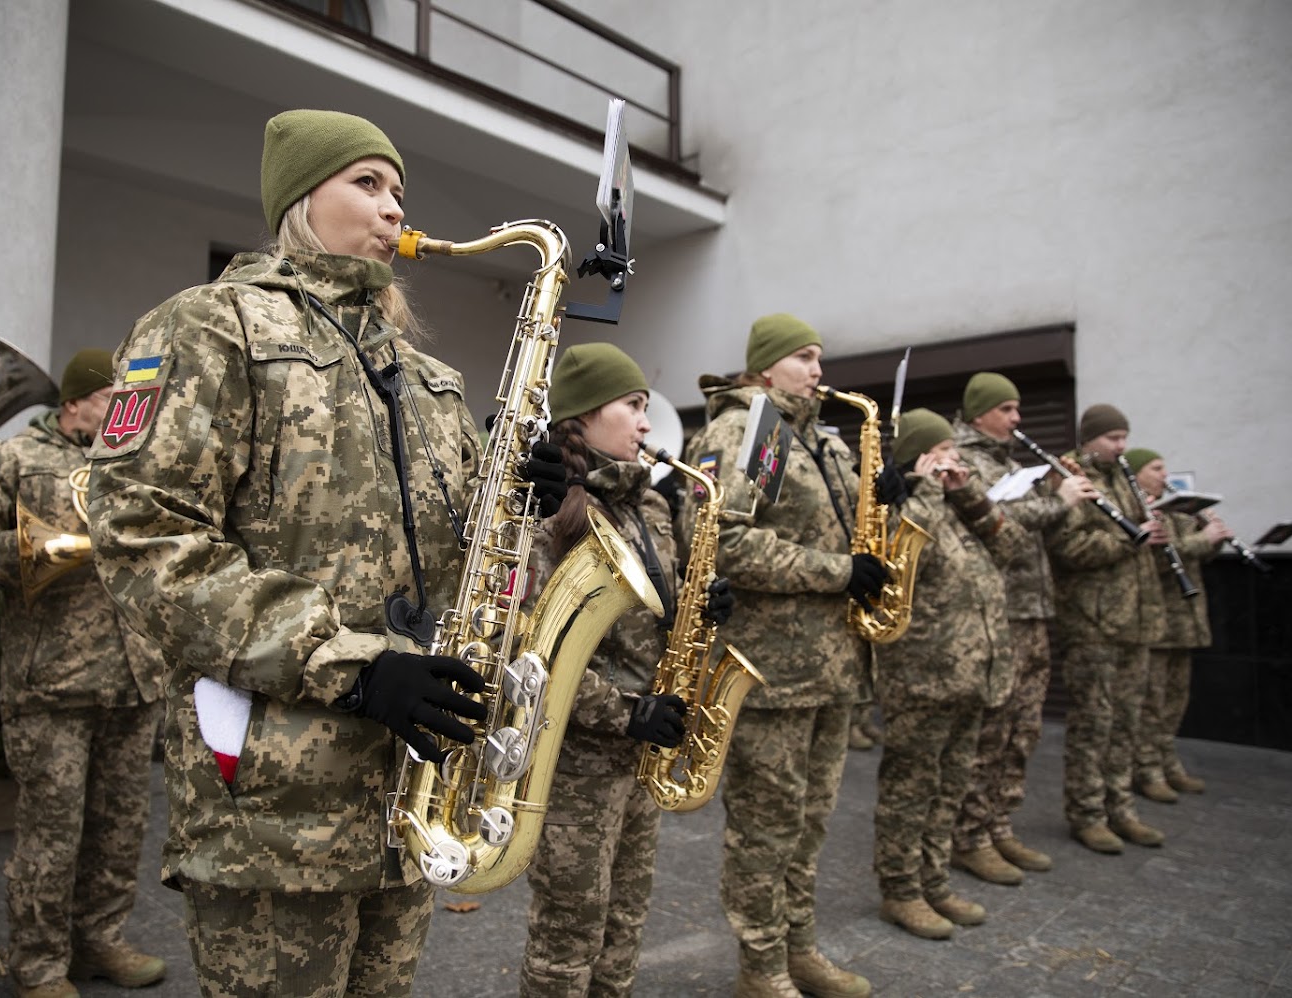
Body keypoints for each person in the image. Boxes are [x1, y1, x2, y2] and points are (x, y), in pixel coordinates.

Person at [85, 109, 565, 998]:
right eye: (366, 183)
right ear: (300, 198)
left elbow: (472, 558)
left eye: (398, 191)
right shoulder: (208, 325)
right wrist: (355, 667)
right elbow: (144, 540)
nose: (393, 209)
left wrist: (525, 500)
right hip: (276, 799)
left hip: (411, 785)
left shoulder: (426, 377)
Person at [0, 350, 166, 998]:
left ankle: (101, 941)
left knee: (120, 830)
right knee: (51, 836)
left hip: (134, 677)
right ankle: (39, 964)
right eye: (112, 398)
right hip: (51, 681)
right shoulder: (15, 459)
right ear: (74, 403)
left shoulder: (135, 464)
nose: (126, 409)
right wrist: (34, 549)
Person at [678, 314, 889, 998]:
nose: (818, 370)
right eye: (803, 357)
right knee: (765, 830)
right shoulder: (753, 431)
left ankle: (800, 949)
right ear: (765, 366)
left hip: (829, 668)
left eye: (819, 357)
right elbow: (723, 542)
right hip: (772, 672)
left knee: (809, 825)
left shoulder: (819, 439)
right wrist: (839, 572)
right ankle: (761, 966)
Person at [518, 342, 733, 998]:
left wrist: (699, 608)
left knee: (625, 919)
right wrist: (625, 712)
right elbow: (535, 651)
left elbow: (658, 616)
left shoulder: (653, 506)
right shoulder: (544, 512)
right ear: (583, 416)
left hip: (642, 753)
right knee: (569, 932)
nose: (647, 422)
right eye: (633, 405)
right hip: (576, 763)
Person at [871, 409, 1021, 940]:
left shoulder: (956, 504)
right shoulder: (900, 506)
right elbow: (905, 562)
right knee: (911, 790)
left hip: (973, 675)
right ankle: (900, 890)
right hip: (922, 678)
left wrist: (968, 494)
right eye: (944, 452)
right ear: (920, 456)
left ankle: (933, 881)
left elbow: (1011, 546)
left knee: (950, 787)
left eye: (955, 451)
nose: (955, 460)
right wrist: (927, 490)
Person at [948, 373, 1098, 886]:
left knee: (1023, 728)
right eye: (1006, 409)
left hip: (1033, 610)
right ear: (979, 413)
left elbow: (1044, 528)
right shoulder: (963, 460)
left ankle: (999, 822)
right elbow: (993, 519)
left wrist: (1060, 493)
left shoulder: (1015, 465)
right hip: (995, 613)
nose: (1017, 419)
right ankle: (969, 835)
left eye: (1018, 408)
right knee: (991, 730)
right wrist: (1058, 500)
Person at [1047, 404, 1168, 854]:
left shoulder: (1123, 479)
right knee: (1093, 723)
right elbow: (1068, 547)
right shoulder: (1070, 475)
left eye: (1124, 438)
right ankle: (1088, 814)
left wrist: (1156, 532)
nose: (1121, 447)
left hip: (1136, 617)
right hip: (1093, 621)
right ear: (1090, 438)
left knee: (1126, 721)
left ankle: (1122, 808)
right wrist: (1129, 537)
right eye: (1113, 438)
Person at [1125, 448, 1230, 802]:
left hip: (1184, 618)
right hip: (1158, 617)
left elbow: (1196, 552)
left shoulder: (1177, 510)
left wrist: (1212, 535)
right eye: (1155, 468)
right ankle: (1146, 769)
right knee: (1152, 703)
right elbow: (1158, 557)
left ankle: (1168, 763)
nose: (1163, 474)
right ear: (1138, 474)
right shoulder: (1138, 510)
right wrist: (1203, 540)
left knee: (1175, 700)